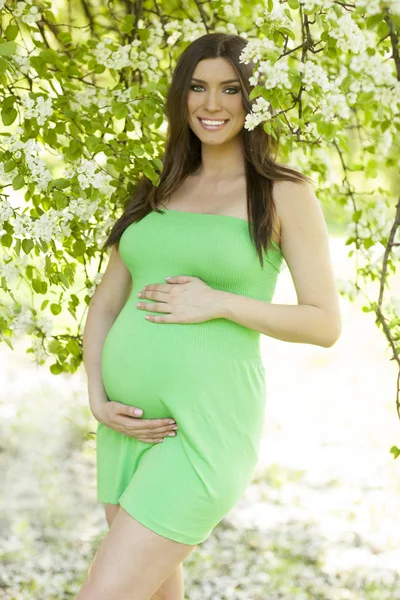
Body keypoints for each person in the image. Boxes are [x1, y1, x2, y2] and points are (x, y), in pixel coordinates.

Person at [76, 32, 342, 600]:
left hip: (204, 431)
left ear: (254, 99)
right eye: (198, 87)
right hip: (127, 427)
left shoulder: (283, 192)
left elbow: (324, 323)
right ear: (182, 96)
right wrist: (98, 398)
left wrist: (220, 302)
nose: (212, 104)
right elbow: (104, 305)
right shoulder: (155, 188)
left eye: (230, 89)